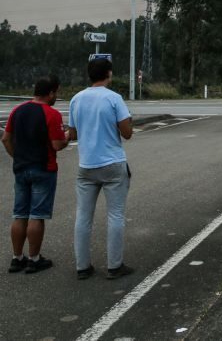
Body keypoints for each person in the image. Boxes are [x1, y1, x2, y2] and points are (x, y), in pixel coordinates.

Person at [68, 58, 134, 280]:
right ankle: (114, 266)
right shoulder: (114, 98)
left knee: (83, 216)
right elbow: (127, 132)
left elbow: (73, 133)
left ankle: (83, 266)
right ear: (108, 74)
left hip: (86, 165)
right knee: (115, 215)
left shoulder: (76, 99)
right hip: (113, 163)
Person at [1, 76, 67, 274]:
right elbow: (56, 144)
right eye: (56, 93)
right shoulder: (52, 114)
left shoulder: (17, 110)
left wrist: (17, 156)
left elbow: (5, 139)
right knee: (37, 215)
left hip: (21, 168)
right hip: (43, 168)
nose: (56, 97)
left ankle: (16, 257)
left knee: (20, 213)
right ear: (51, 93)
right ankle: (34, 259)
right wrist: (68, 138)